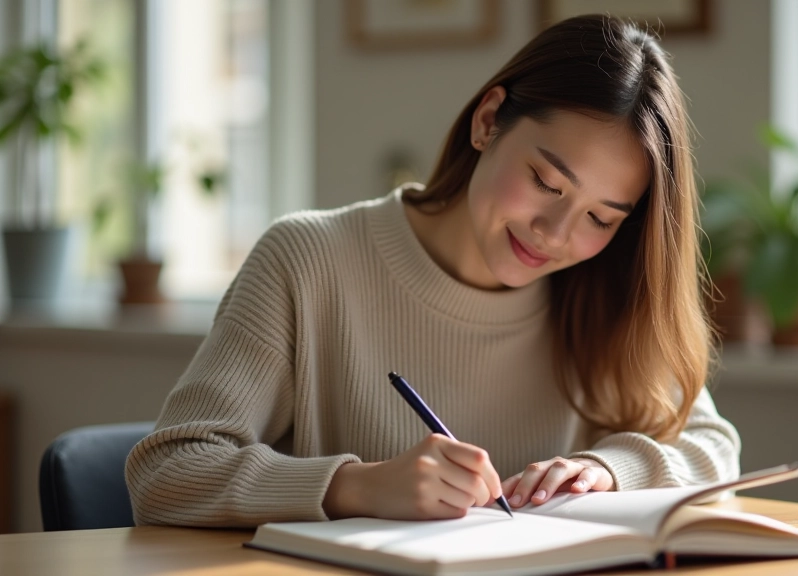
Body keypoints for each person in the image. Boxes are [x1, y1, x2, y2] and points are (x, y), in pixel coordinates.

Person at [126, 13, 740, 527]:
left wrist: (610, 471)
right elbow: (166, 471)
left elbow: (715, 449)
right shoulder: (307, 261)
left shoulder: (604, 289)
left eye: (601, 219)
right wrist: (356, 486)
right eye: (545, 182)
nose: (556, 236)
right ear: (487, 120)